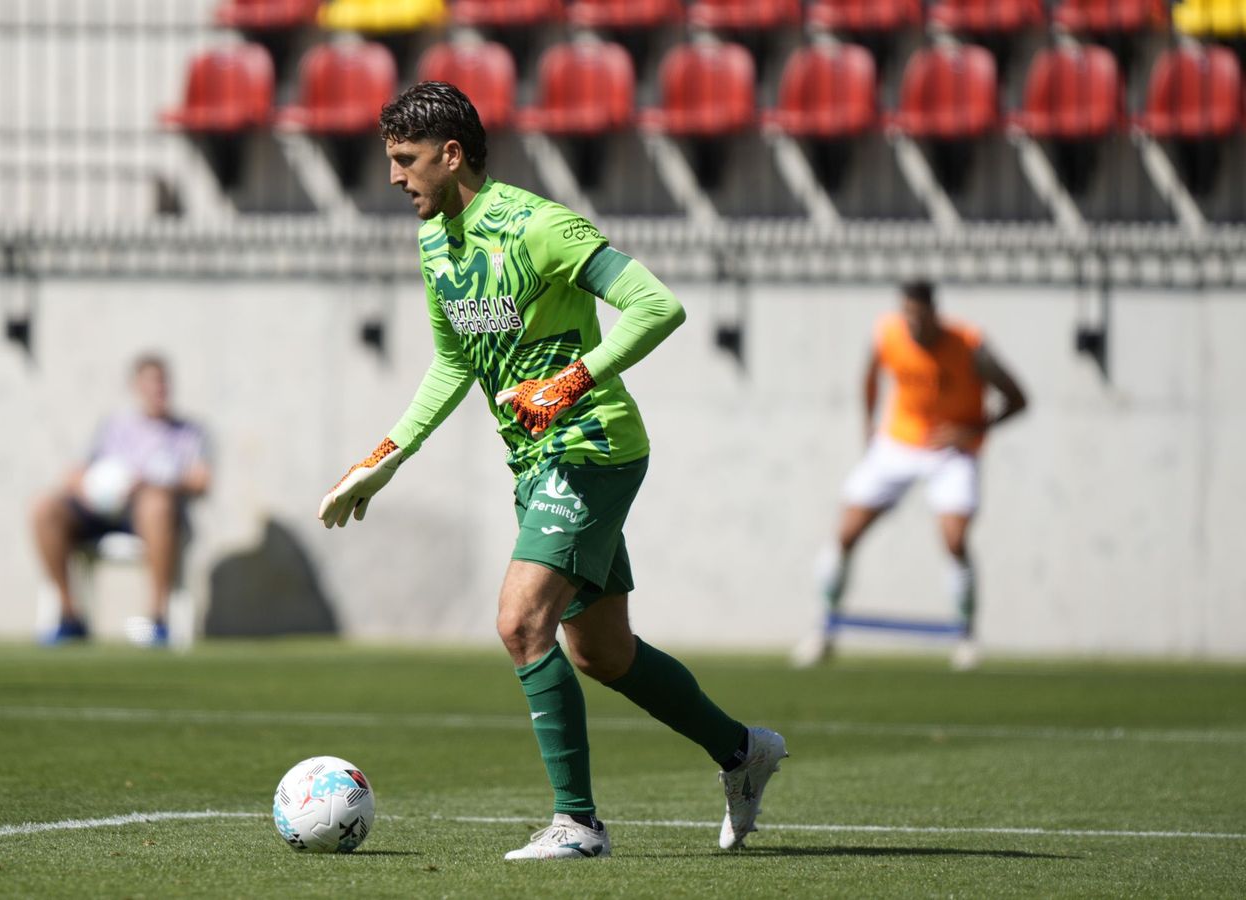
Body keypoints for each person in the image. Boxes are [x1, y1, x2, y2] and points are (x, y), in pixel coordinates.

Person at [318, 82, 787, 860]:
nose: (394, 177)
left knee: (520, 623)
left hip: (591, 447)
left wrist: (571, 381)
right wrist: (385, 457)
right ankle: (743, 751)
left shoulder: (540, 226)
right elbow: (453, 363)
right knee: (602, 653)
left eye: (405, 159)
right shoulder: (435, 243)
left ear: (451, 154)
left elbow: (656, 306)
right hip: (536, 462)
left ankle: (578, 824)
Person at [795, 281, 1028, 671]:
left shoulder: (969, 345)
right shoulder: (887, 334)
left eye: (919, 316)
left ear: (934, 313)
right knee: (845, 534)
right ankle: (824, 628)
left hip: (952, 450)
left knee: (955, 541)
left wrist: (971, 431)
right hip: (898, 444)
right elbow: (870, 377)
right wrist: (869, 428)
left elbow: (1018, 399)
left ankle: (966, 636)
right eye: (907, 315)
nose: (912, 324)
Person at [31, 354, 210, 648]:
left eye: (162, 382)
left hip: (152, 517)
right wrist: (92, 487)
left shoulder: (189, 432)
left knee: (155, 505)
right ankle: (69, 615)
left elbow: (202, 480)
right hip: (98, 512)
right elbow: (74, 473)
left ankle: (157, 619)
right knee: (43, 508)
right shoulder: (113, 426)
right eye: (151, 383)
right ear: (136, 386)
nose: (158, 389)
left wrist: (148, 483)